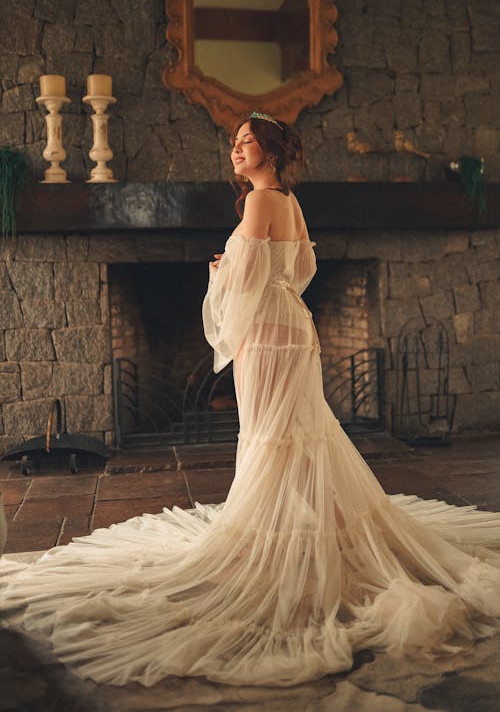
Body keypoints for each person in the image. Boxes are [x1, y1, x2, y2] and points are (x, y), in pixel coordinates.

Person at [1, 112, 500, 689]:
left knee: (268, 435)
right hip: (295, 327)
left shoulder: (259, 203)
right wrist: (245, 273)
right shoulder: (288, 201)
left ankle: (278, 540)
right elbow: (303, 269)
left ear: (269, 150)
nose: (235, 151)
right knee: (296, 434)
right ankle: (303, 528)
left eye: (246, 143)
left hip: (266, 335)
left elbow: (243, 286)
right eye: (235, 143)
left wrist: (220, 272)